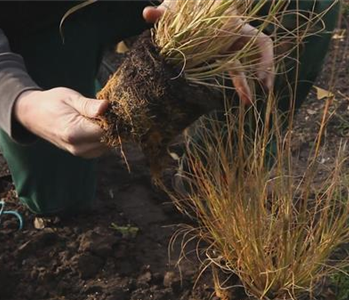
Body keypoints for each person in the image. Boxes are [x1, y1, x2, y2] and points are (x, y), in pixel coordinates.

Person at [0, 0, 339, 217]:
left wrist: (205, 13)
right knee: (59, 200)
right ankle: (90, 68)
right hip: (33, 22)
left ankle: (212, 175)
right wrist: (22, 101)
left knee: (303, 4)